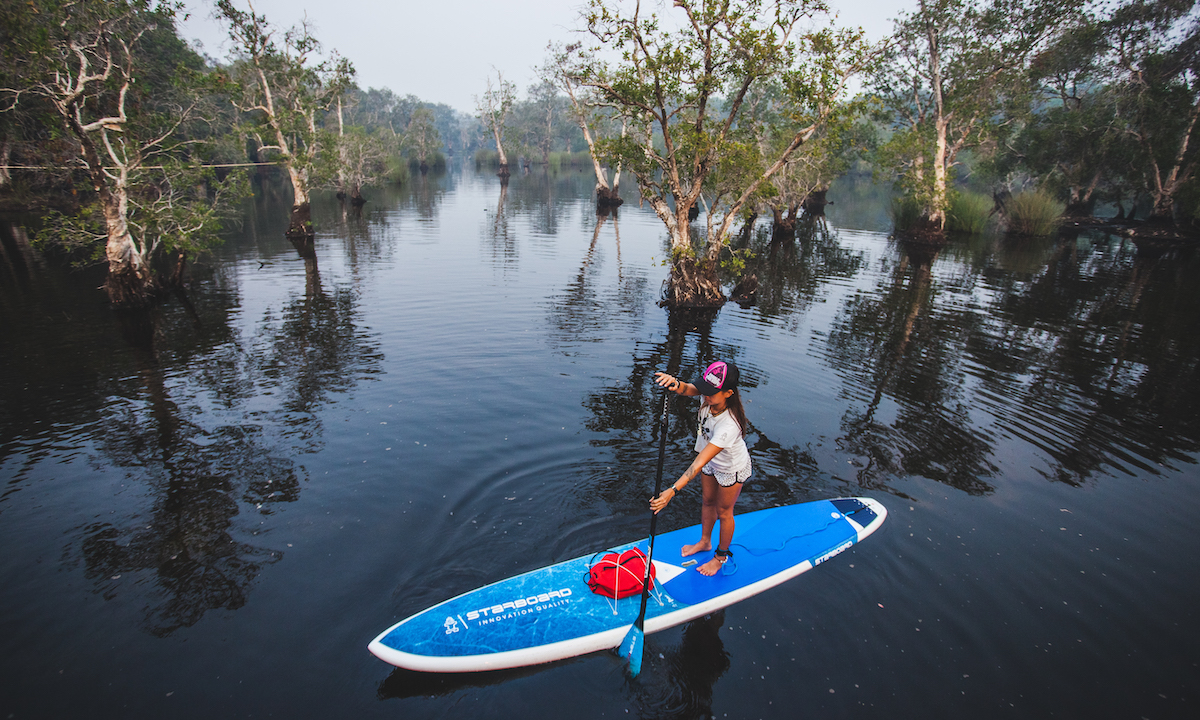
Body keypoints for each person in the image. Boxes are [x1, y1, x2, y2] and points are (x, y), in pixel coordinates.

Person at [651, 361, 752, 576]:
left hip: (729, 469)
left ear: (728, 393)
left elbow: (697, 464)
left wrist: (672, 491)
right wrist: (675, 383)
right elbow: (688, 389)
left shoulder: (729, 425)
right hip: (711, 463)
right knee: (707, 501)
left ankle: (720, 556)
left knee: (724, 511)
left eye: (711, 393)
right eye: (704, 390)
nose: (705, 396)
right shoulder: (710, 395)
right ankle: (705, 541)